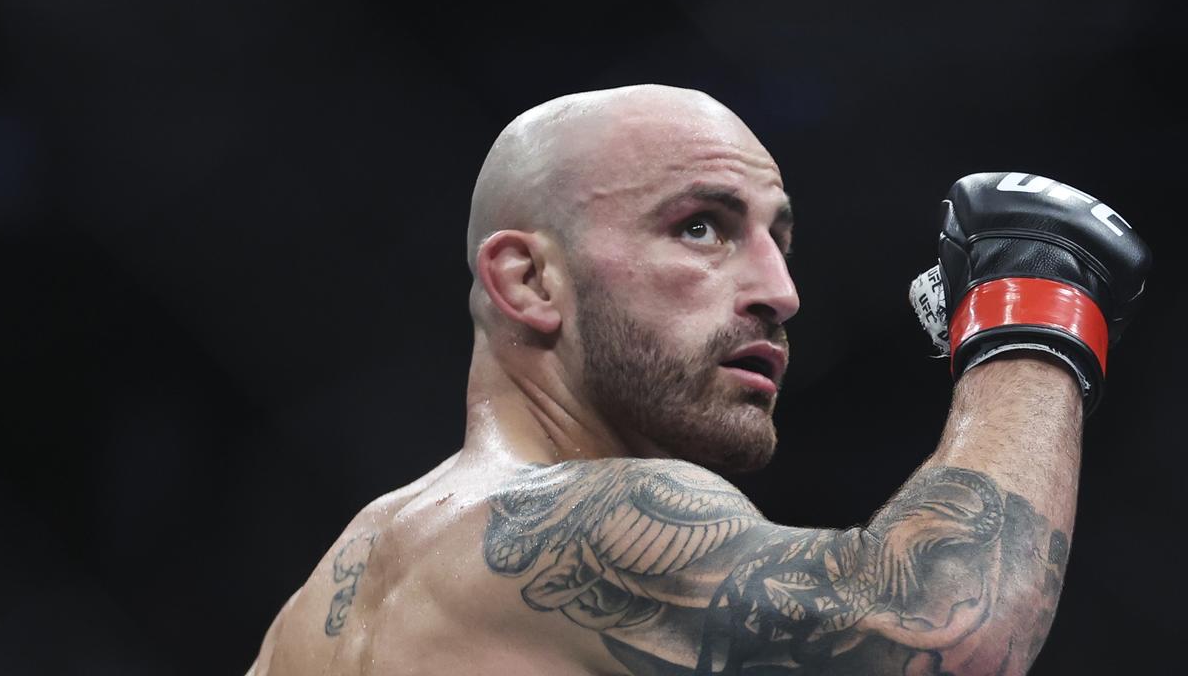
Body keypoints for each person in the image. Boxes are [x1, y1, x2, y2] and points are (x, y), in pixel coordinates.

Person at [245, 84, 1150, 675]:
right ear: (527, 281)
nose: (780, 294)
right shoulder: (572, 517)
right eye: (702, 229)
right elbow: (940, 625)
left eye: (778, 240)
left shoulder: (322, 601)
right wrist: (1036, 313)